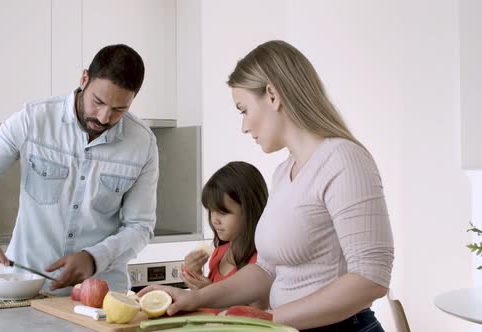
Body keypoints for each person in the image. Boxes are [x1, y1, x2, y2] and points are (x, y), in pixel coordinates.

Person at [138, 40, 394, 331]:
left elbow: (371, 278)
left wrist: (271, 319)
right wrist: (194, 298)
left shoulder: (343, 160)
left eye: (243, 110)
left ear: (272, 95)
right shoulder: (284, 173)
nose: (244, 126)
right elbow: (267, 270)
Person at [0, 44, 159, 294]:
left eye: (119, 109)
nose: (104, 117)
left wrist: (94, 258)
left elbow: (139, 226)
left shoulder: (143, 144)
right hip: (28, 291)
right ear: (84, 79)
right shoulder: (33, 120)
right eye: (98, 102)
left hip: (104, 298)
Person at [181, 161, 268, 309]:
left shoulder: (261, 262)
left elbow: (255, 318)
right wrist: (193, 272)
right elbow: (205, 304)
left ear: (250, 211)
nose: (214, 220)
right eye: (211, 211)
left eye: (222, 212)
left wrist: (210, 294)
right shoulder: (220, 251)